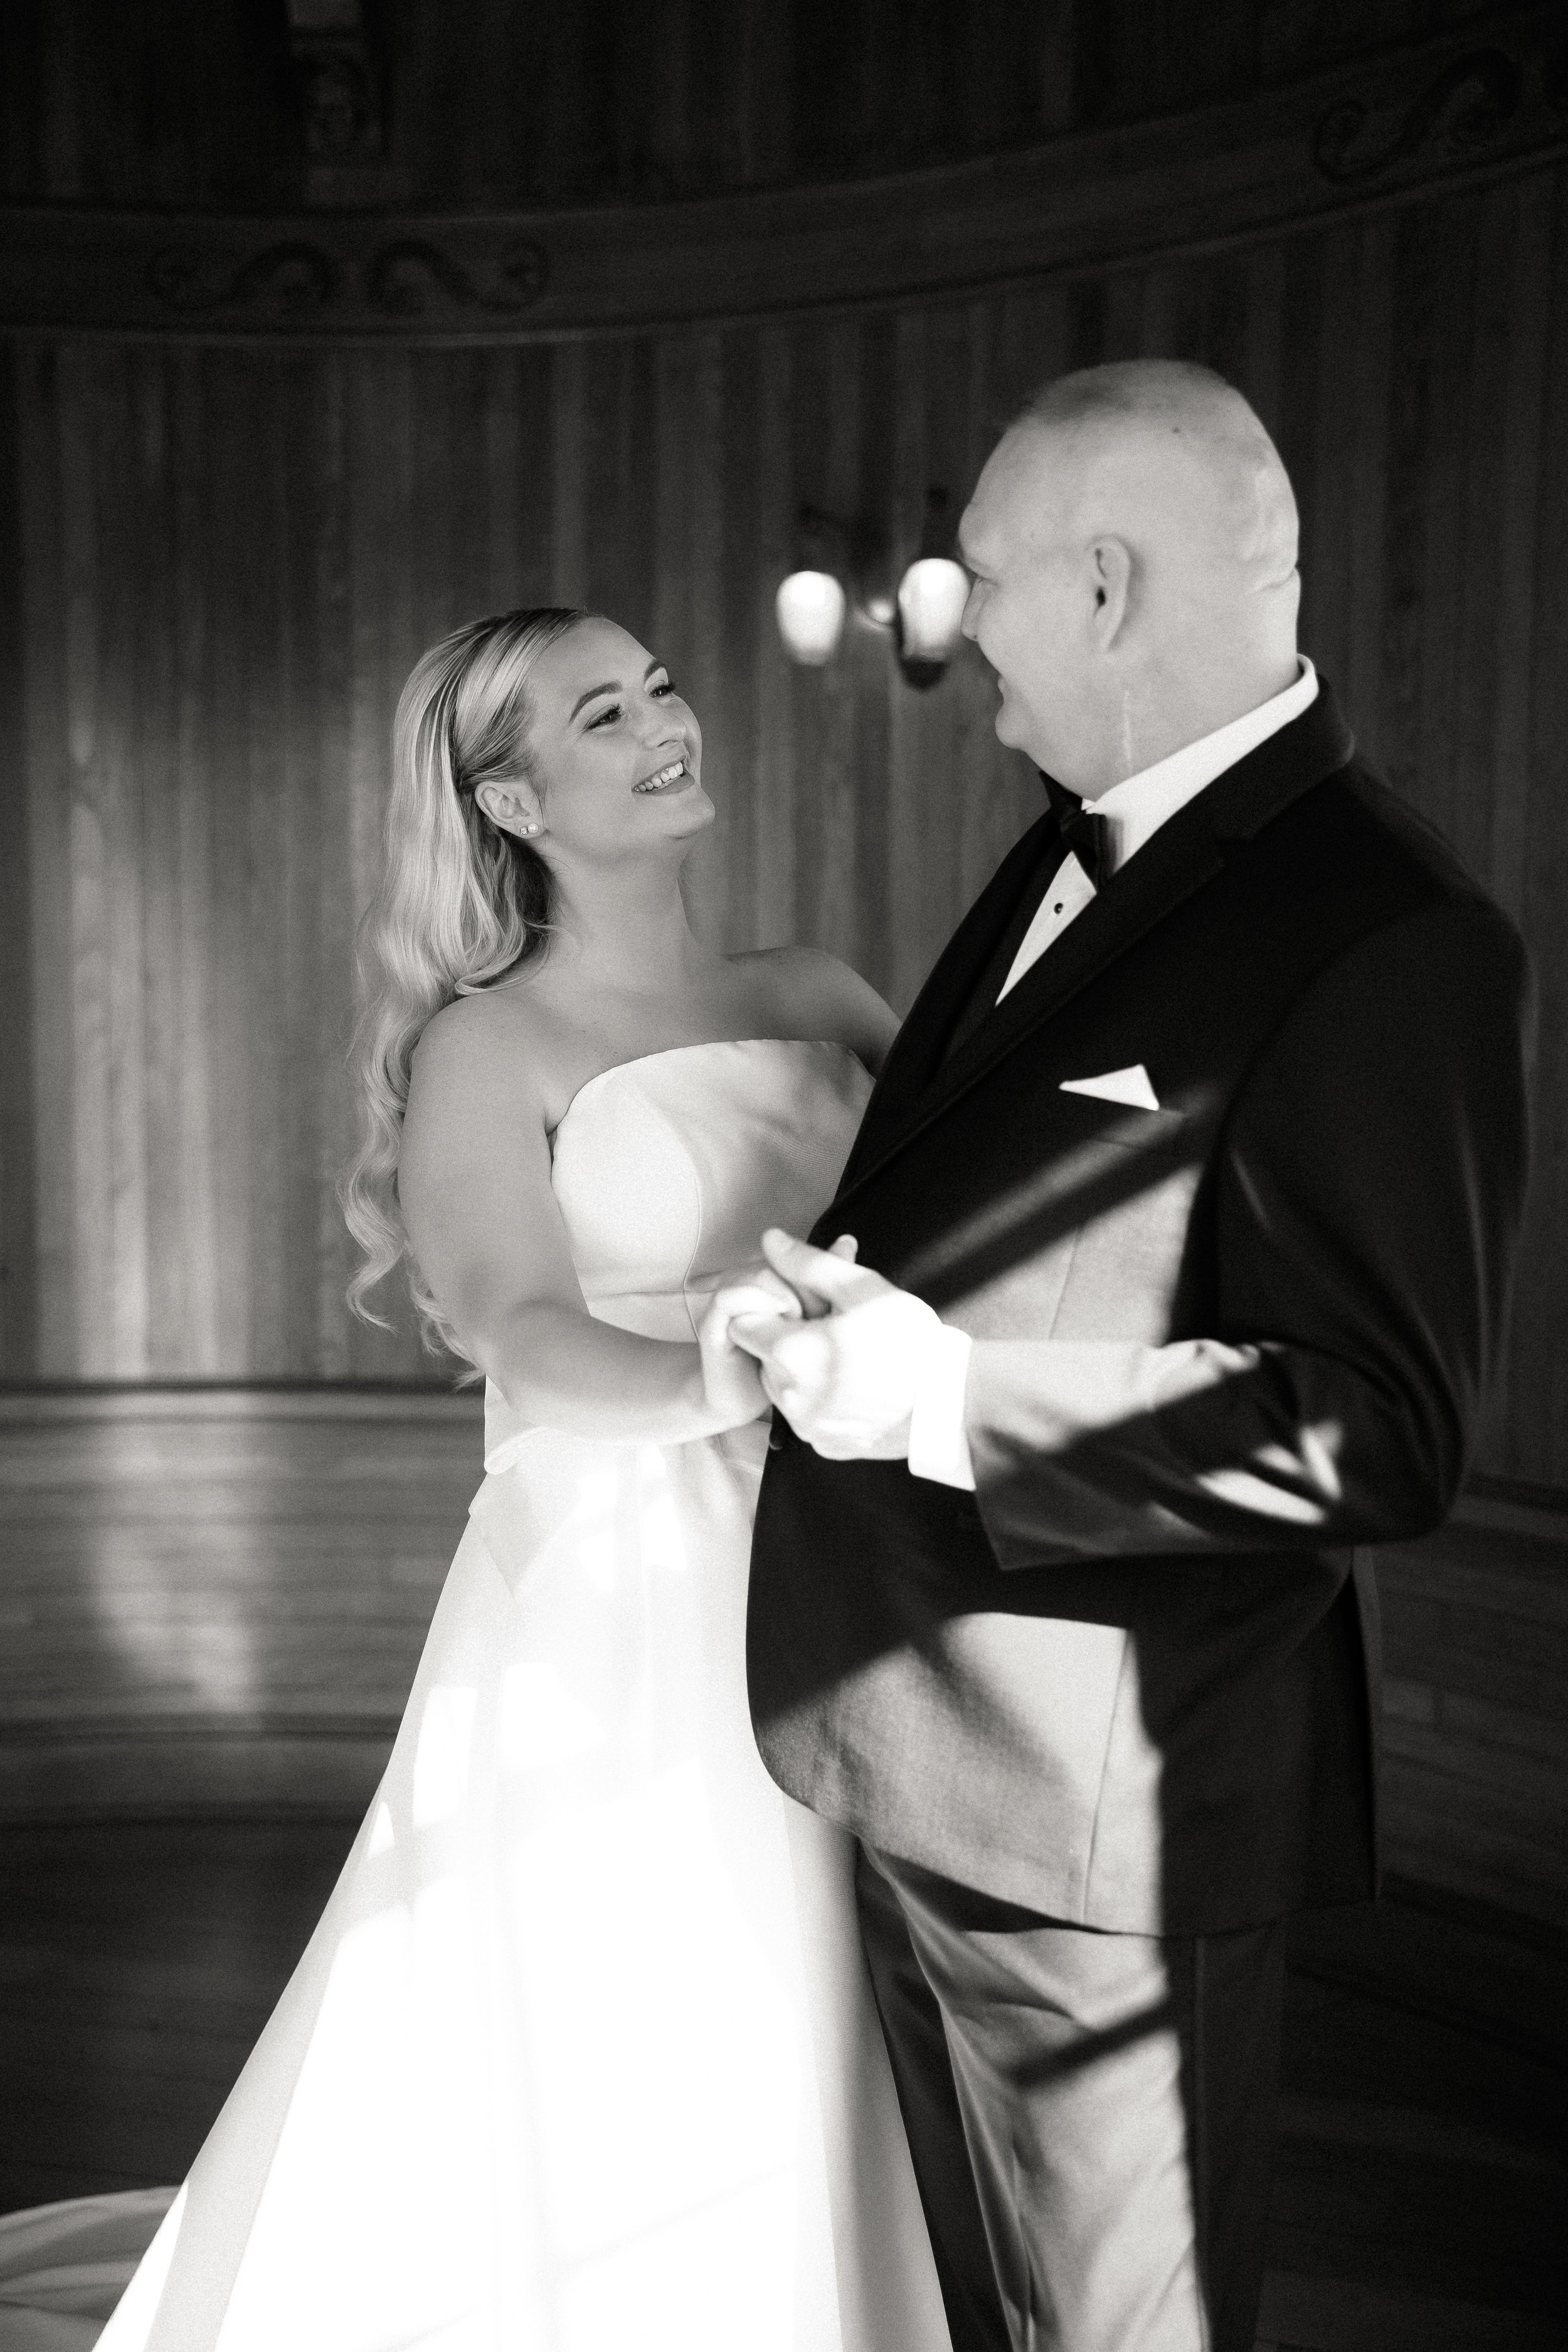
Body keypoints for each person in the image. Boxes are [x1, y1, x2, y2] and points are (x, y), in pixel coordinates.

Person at [731, 361, 1532, 2352]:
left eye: (980, 571)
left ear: (1099, 587)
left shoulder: (1386, 932)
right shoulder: (1064, 843)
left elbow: (1380, 1427)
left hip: (1101, 1827)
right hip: (915, 1747)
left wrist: (938, 1403)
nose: (960, 610)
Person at [94, 607, 952, 2352]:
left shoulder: (812, 995)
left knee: (811, 1990)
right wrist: (723, 1366)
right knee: (630, 1970)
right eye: (600, 713)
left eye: (660, 686)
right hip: (614, 1576)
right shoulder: (487, 1045)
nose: (665, 723)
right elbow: (516, 1329)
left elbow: (984, 1212)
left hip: (845, 1533)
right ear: (508, 795)